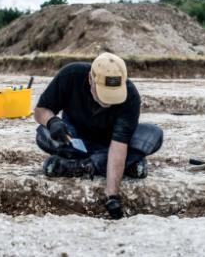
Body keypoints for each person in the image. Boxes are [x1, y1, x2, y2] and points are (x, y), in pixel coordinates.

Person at [34, 52, 163, 219]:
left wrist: (112, 197)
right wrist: (52, 122)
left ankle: (80, 165)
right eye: (104, 94)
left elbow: (119, 145)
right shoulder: (71, 75)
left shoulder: (130, 96)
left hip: (111, 144)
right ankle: (124, 165)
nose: (108, 101)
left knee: (153, 135)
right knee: (43, 134)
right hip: (74, 139)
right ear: (90, 79)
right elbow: (40, 111)